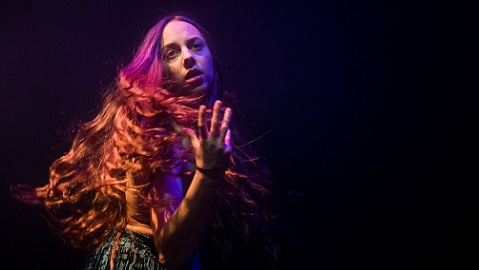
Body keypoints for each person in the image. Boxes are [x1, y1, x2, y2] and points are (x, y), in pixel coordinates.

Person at [11, 13, 287, 270]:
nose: (188, 58)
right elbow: (169, 252)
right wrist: (208, 172)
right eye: (172, 53)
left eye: (196, 46)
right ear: (159, 70)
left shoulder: (204, 126)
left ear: (212, 57)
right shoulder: (157, 129)